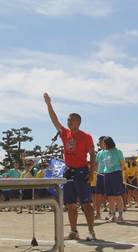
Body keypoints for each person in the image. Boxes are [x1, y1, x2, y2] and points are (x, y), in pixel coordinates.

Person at [43, 92, 96, 241]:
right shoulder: (65, 133)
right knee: (71, 204)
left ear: (78, 122)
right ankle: (74, 231)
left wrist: (92, 172)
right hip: (68, 172)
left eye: (71, 120)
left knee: (86, 203)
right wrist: (49, 104)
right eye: (67, 120)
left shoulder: (86, 136)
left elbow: (92, 154)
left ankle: (91, 231)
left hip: (82, 171)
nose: (68, 122)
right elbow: (54, 119)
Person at [98, 136, 126, 223]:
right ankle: (113, 215)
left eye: (103, 143)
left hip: (116, 174)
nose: (101, 145)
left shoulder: (118, 152)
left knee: (117, 196)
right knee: (110, 196)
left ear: (107, 143)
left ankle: (120, 215)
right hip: (107, 174)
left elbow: (122, 165)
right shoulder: (104, 152)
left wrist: (121, 176)